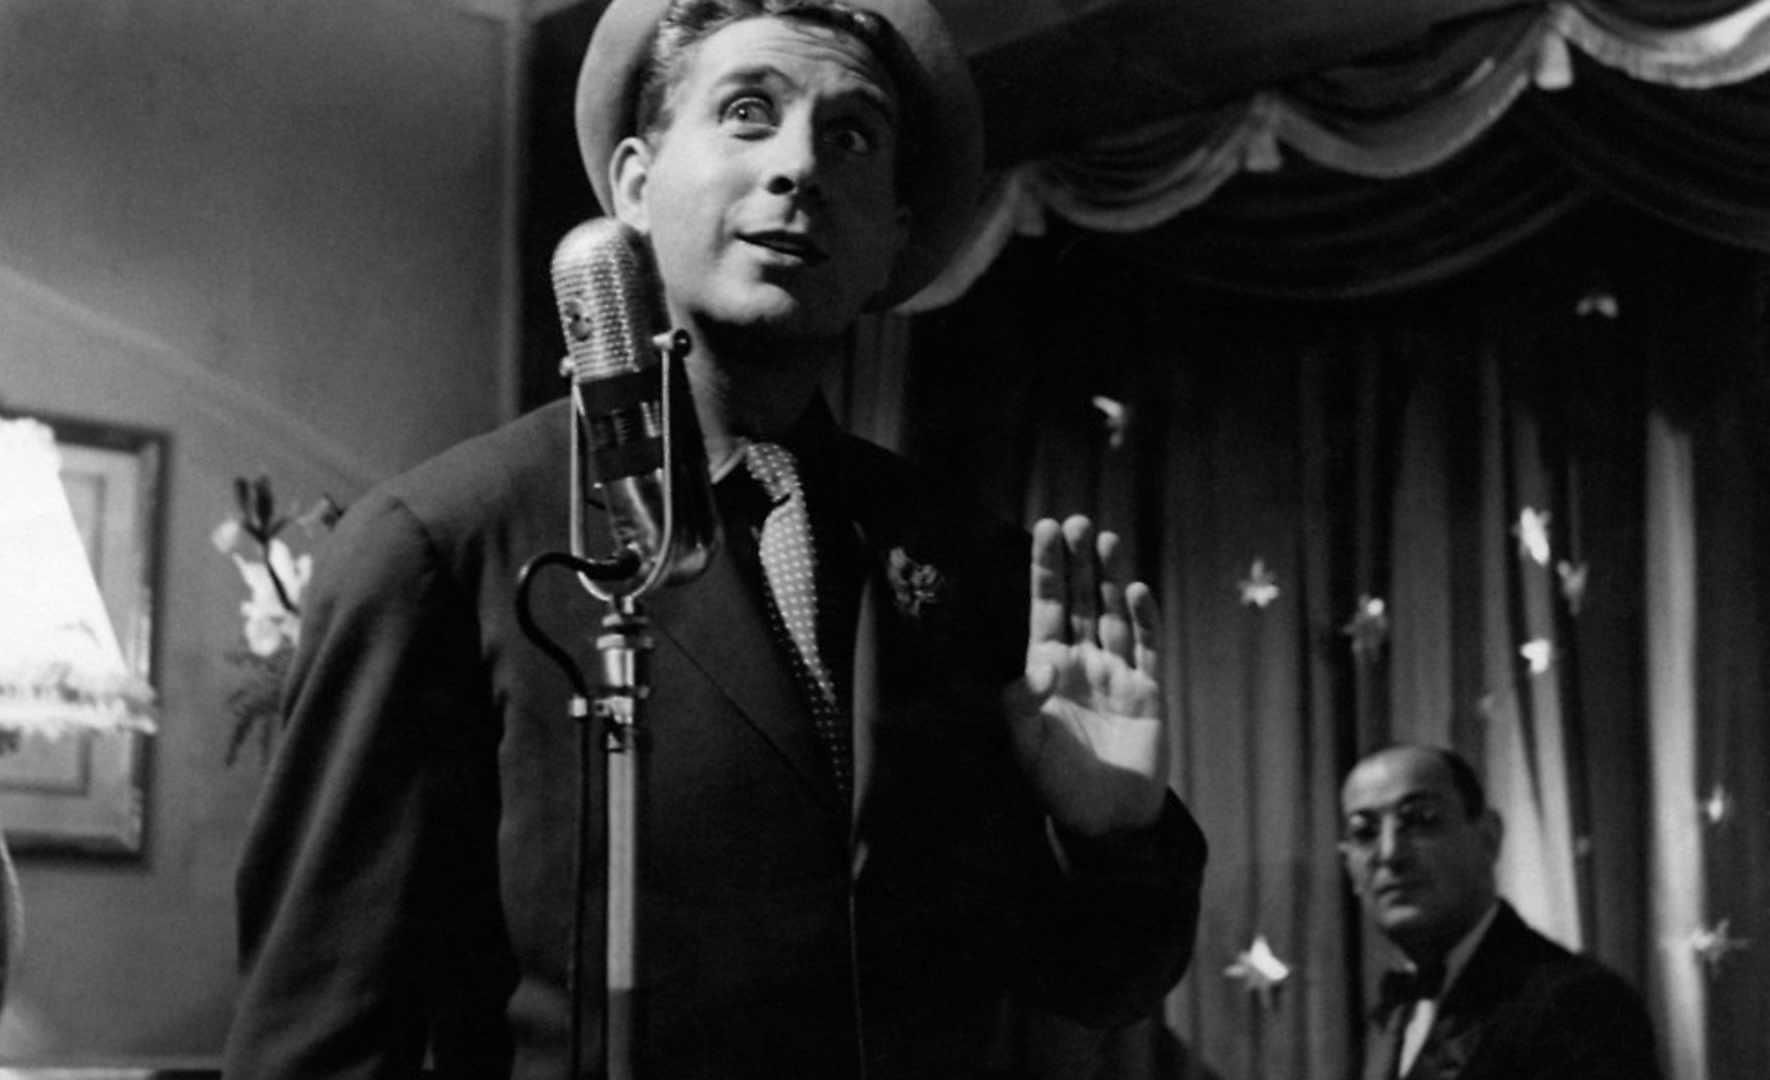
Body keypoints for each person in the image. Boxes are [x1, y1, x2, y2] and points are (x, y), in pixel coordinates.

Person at [221, 0, 1206, 1076]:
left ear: (892, 236)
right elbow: (319, 1044)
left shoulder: (967, 570)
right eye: (748, 113)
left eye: (853, 137)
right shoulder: (443, 549)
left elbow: (1094, 983)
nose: (800, 169)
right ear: (636, 185)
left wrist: (1111, 839)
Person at [1338, 745, 1663, 1080]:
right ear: (1349, 866)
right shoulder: (1389, 1019)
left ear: (1488, 839)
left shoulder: (1581, 1005)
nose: (1390, 853)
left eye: (1422, 819)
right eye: (1365, 831)